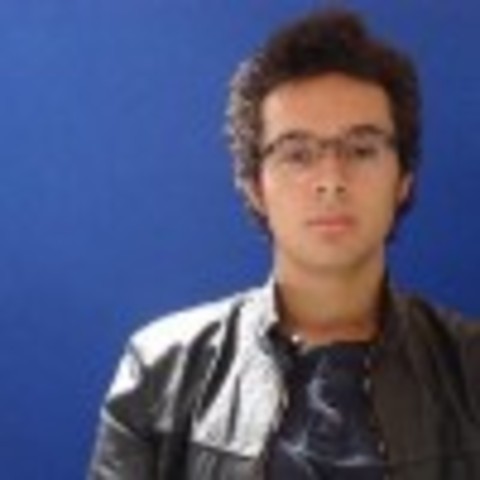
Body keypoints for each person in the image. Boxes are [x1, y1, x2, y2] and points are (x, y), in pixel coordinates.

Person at [88, 8, 480, 479]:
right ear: (255, 186)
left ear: (403, 181)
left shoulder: (469, 367)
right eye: (298, 154)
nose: (331, 179)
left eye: (361, 150)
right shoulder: (162, 371)